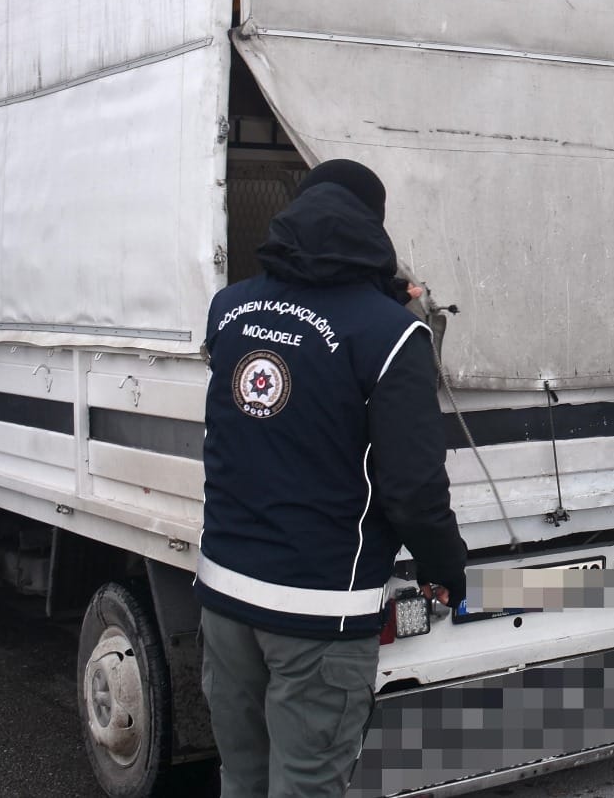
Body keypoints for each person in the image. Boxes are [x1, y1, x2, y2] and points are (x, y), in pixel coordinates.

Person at [198, 158, 469, 798]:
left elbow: (297, 382)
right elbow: (412, 486)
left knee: (242, 778)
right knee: (307, 784)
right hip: (317, 612)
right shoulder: (395, 335)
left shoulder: (229, 310)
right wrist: (445, 567)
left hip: (225, 598)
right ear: (372, 230)